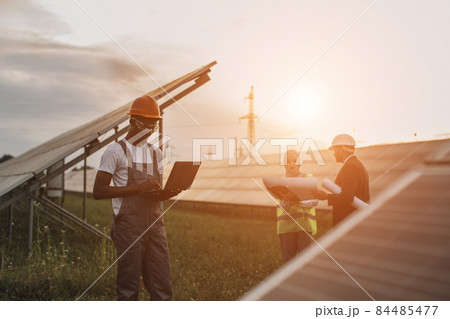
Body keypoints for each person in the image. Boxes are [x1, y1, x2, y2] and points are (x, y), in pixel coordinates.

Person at [93, 95, 180, 301]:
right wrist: (137, 188)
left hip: (156, 224)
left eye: (153, 127)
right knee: (129, 288)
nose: (150, 132)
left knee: (162, 287)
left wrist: (167, 192)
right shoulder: (115, 151)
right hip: (129, 227)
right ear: (133, 122)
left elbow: (153, 191)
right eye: (146, 127)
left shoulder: (155, 153)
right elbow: (99, 191)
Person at [312, 134, 370, 226]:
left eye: (334, 150)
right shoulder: (357, 165)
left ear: (341, 150)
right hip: (356, 220)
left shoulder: (350, 167)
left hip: (349, 221)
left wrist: (326, 196)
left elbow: (347, 197)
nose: (334, 153)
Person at [276, 149, 318, 263]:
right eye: (288, 161)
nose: (291, 164)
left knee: (306, 262)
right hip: (286, 227)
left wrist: (299, 201)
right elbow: (280, 204)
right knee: (289, 263)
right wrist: (286, 203)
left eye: (294, 161)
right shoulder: (280, 182)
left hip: (304, 226)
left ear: (299, 162)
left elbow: (315, 200)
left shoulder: (307, 177)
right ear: (284, 164)